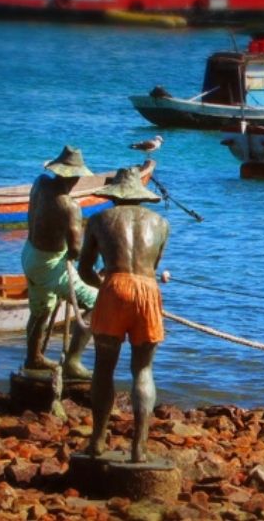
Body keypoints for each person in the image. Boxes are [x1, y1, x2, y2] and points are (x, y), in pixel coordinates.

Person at [79, 167, 169, 463]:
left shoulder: (99, 219)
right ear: (140, 197)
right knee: (143, 371)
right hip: (147, 291)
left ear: (114, 195)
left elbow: (84, 269)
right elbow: (153, 266)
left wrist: (104, 286)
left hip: (114, 287)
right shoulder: (161, 223)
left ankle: (97, 442)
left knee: (104, 368)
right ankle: (139, 449)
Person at [22, 146, 96, 379]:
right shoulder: (70, 207)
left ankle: (33, 357)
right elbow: (75, 250)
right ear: (74, 177)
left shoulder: (40, 182)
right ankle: (74, 360)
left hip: (30, 254)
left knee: (40, 310)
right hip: (51, 264)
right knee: (99, 303)